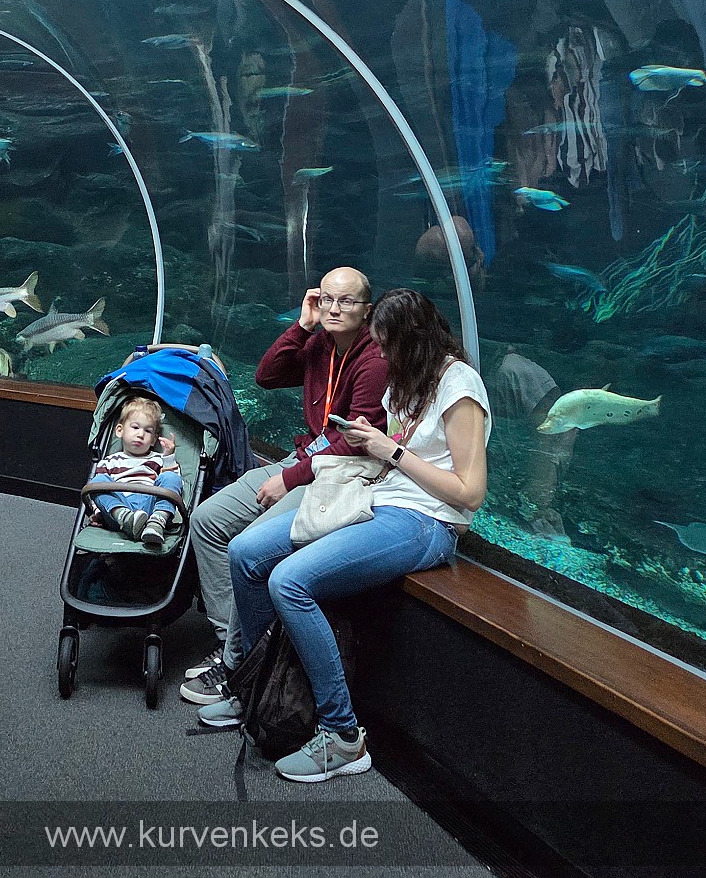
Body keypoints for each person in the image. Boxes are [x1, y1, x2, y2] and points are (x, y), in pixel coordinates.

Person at [196, 288, 490, 784]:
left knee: (289, 581)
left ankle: (343, 734)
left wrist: (388, 450)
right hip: (375, 497)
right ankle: (252, 688)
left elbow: (470, 493)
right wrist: (370, 444)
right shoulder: (408, 379)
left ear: (412, 340)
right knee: (246, 551)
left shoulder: (459, 384)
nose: (382, 355)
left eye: (388, 345)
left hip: (426, 520)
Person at [181, 266, 388, 707]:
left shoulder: (375, 361)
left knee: (250, 545)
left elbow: (354, 443)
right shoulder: (320, 344)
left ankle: (237, 663)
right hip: (303, 460)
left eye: (346, 301)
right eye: (326, 299)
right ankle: (234, 642)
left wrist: (288, 479)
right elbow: (267, 375)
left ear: (367, 310)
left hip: (338, 474)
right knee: (208, 520)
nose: (334, 308)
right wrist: (302, 324)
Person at [85, 396, 183, 550]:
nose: (140, 434)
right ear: (120, 430)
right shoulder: (109, 462)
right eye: (135, 427)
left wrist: (169, 457)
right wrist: (97, 512)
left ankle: (157, 521)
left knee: (171, 477)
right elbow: (96, 494)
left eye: (148, 431)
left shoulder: (158, 459)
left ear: (154, 439)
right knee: (97, 482)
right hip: (118, 510)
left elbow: (175, 484)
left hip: (150, 508)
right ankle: (125, 518)